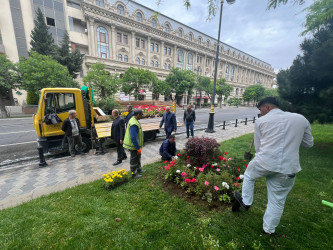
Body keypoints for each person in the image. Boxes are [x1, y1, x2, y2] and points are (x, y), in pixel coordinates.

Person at [232, 97, 314, 236]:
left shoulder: (261, 121)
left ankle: (246, 201)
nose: (260, 113)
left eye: (260, 109)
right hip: (289, 167)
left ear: (267, 107)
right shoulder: (301, 119)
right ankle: (268, 231)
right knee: (277, 200)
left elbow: (258, 147)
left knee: (249, 175)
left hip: (264, 161)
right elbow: (308, 143)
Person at [123, 109, 146, 178]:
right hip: (133, 145)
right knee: (134, 159)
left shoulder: (134, 120)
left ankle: (139, 169)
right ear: (138, 114)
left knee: (138, 157)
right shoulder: (134, 123)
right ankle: (133, 174)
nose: (142, 116)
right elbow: (133, 137)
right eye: (141, 114)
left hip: (135, 145)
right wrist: (138, 147)